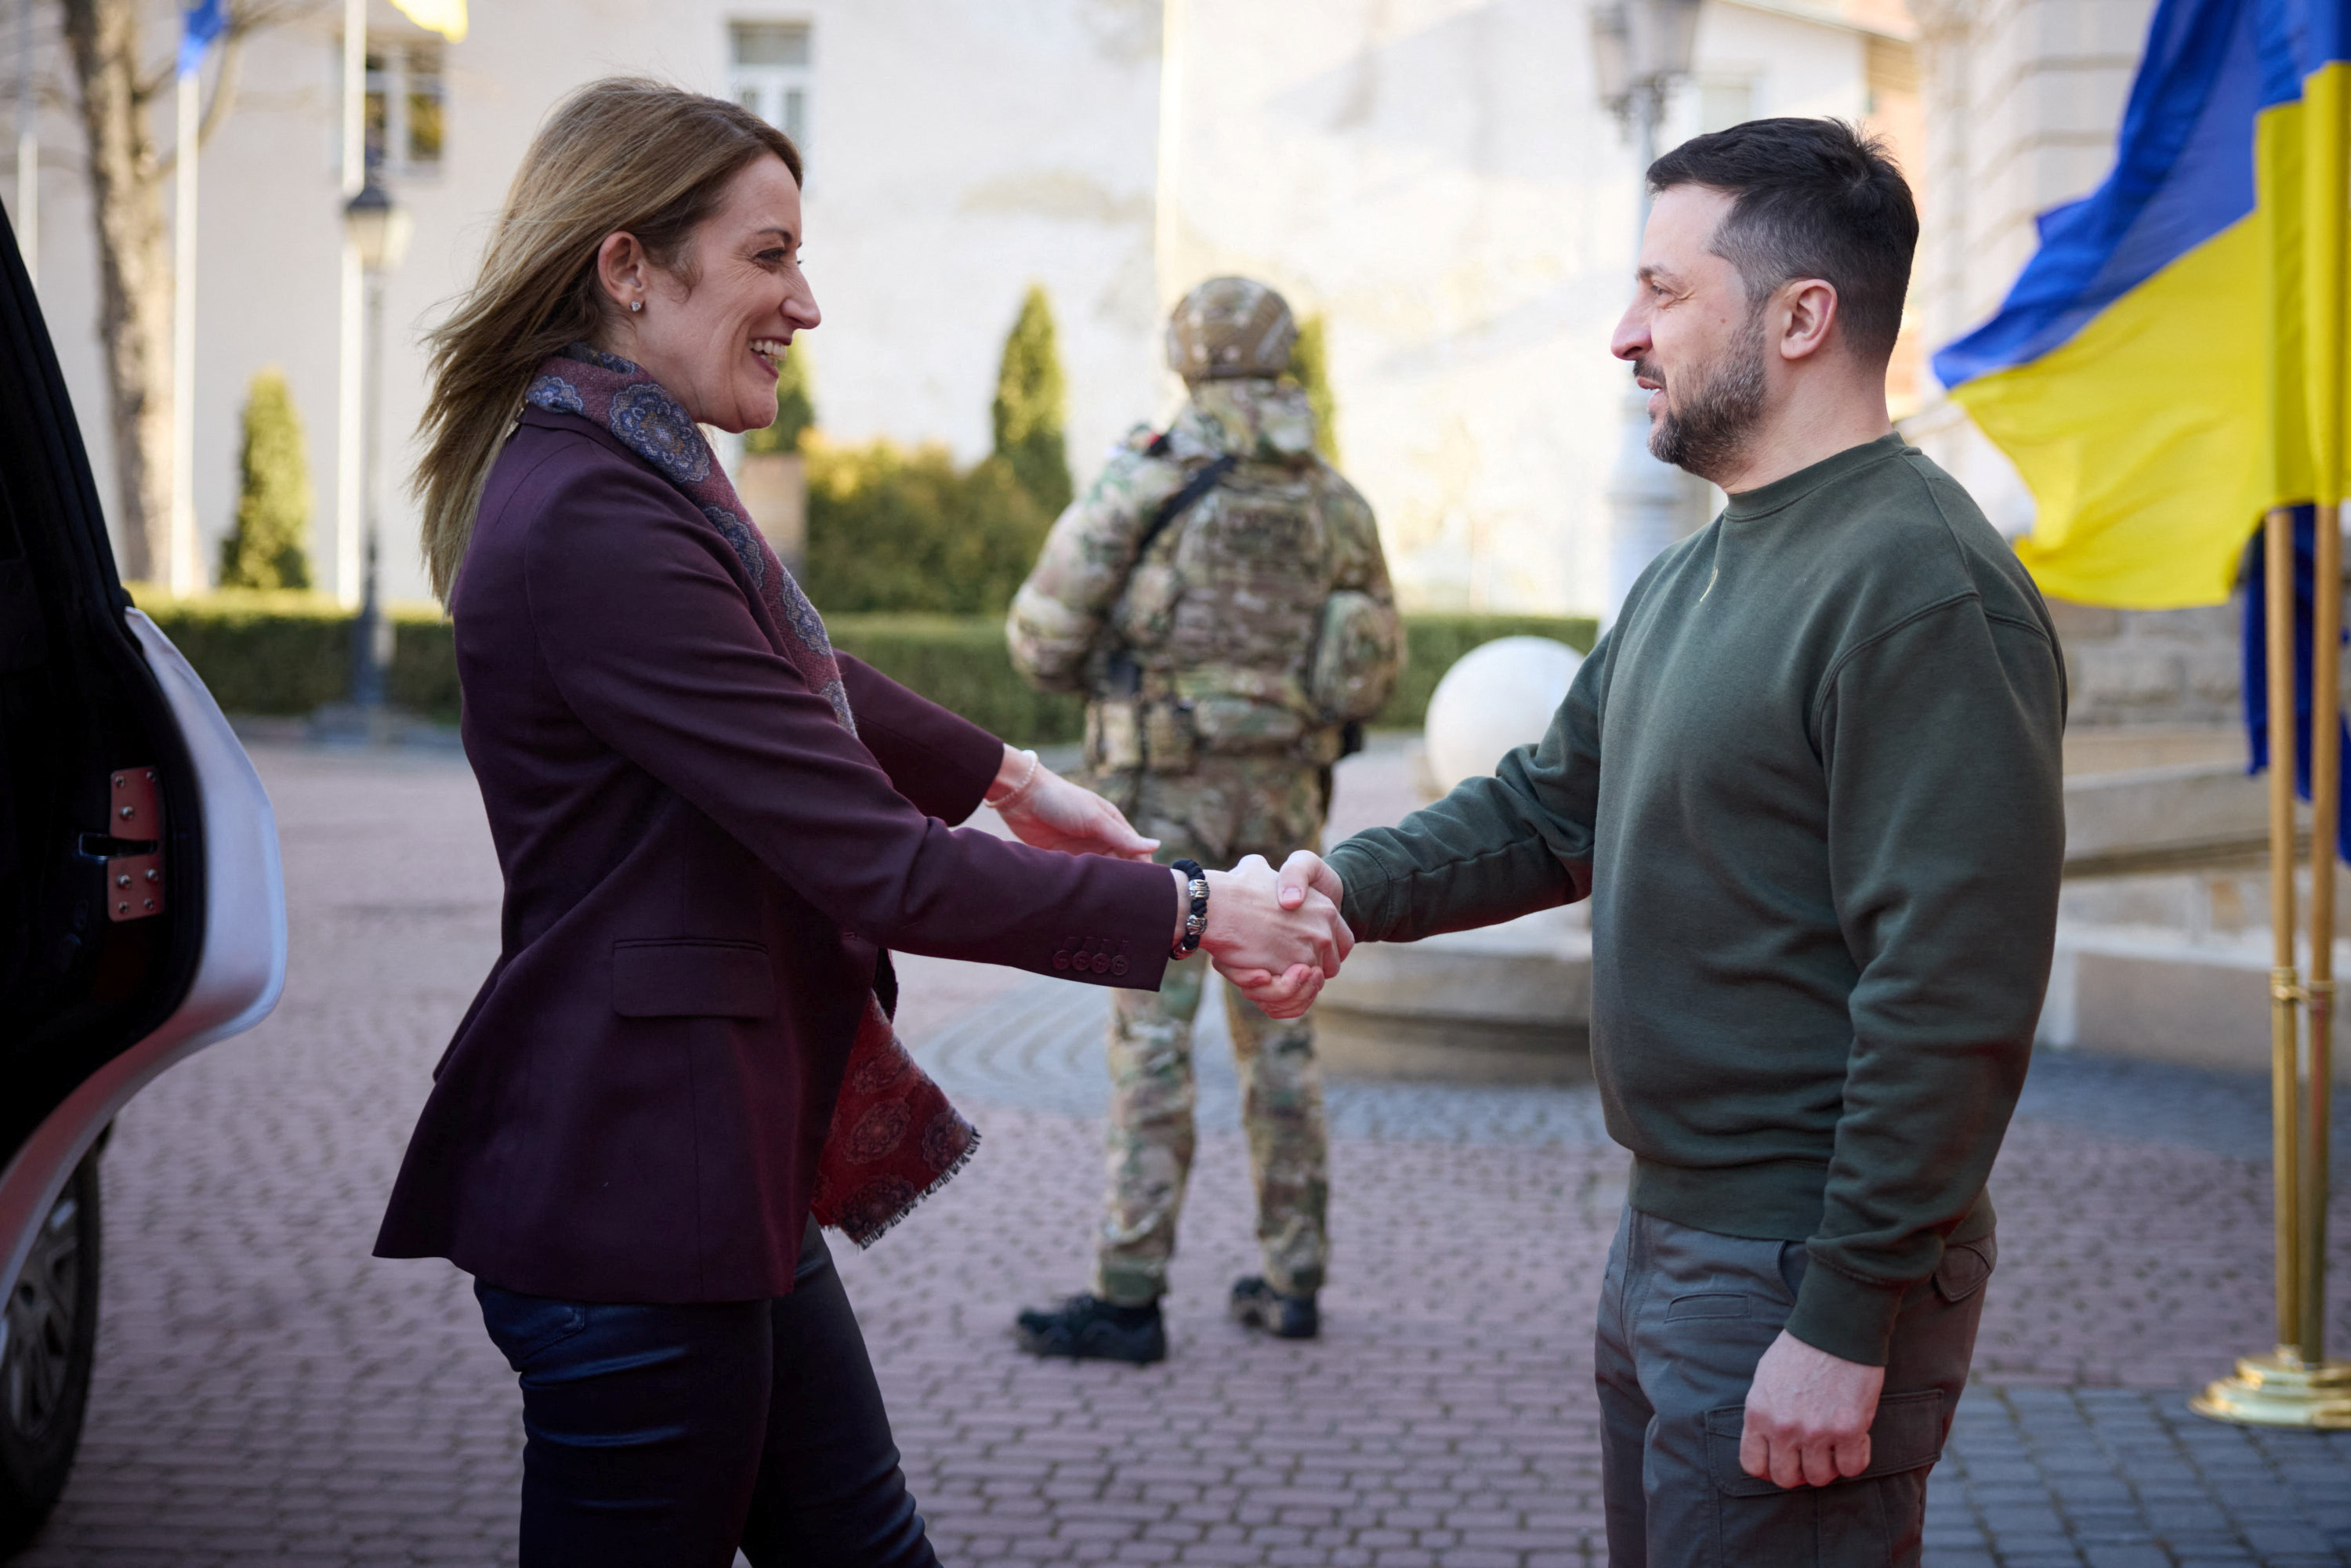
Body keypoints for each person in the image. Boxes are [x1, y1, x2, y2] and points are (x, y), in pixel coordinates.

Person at [371, 79, 1350, 1568]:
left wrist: (1018, 783)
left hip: (708, 1170)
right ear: (627, 266)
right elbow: (872, 864)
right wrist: (1201, 912)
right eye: (768, 256)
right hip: (636, 1198)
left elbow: (797, 665)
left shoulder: (631, 463)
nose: (804, 302)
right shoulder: (593, 511)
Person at [1268, 119, 2065, 1565]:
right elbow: (1548, 805)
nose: (1624, 335)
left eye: (1664, 291)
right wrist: (1342, 888)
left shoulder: (1920, 588)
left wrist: (1844, 1315)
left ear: (1802, 316)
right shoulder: (1698, 568)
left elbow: (1950, 995)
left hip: (1800, 1263)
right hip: (1674, 1242)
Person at [1003, 277, 1402, 1363]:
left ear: (1185, 359)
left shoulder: (1148, 479)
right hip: (1284, 795)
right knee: (1284, 1027)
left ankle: (1130, 1294)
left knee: (1152, 1039)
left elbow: (1039, 640)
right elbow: (1374, 665)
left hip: (1163, 797)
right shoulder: (1334, 499)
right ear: (1282, 360)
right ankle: (1295, 1277)